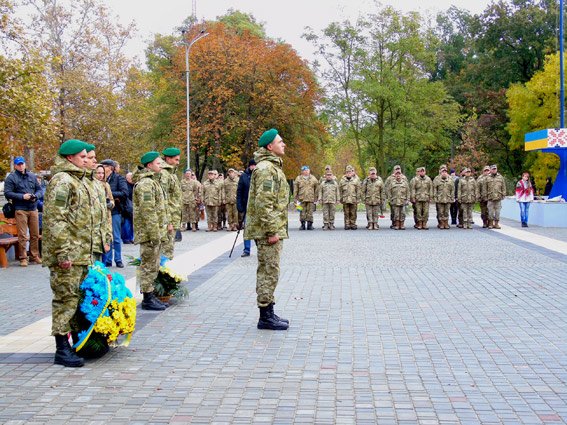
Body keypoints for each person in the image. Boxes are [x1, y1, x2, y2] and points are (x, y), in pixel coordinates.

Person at [43, 139, 94, 367]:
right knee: (65, 300)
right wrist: (63, 253)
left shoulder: (77, 180)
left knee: (74, 300)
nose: (86, 160)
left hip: (80, 253)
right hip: (68, 255)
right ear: (69, 158)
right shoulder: (63, 181)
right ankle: (61, 349)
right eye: (82, 157)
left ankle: (74, 343)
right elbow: (56, 219)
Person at [245, 128, 289, 331]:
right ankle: (265, 316)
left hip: (270, 228)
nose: (284, 144)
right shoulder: (265, 170)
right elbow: (264, 203)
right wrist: (272, 231)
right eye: (280, 142)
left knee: (271, 271)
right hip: (267, 231)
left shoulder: (271, 167)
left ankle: (269, 310)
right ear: (270, 147)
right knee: (268, 271)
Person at [132, 151, 168, 311]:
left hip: (154, 232)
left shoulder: (152, 181)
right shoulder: (146, 184)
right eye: (158, 163)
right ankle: (147, 298)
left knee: (153, 265)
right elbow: (148, 211)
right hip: (149, 234)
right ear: (149, 165)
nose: (160, 165)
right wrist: (155, 235)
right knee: (148, 265)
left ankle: (150, 294)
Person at [4, 156, 42, 266]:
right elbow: (8, 193)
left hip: (33, 208)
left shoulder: (32, 176)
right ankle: (23, 257)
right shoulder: (11, 178)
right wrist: (22, 196)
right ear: (15, 166)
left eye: (22, 164)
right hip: (20, 209)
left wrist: (36, 196)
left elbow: (39, 190)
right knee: (22, 235)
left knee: (35, 234)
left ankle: (34, 255)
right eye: (18, 164)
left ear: (25, 164)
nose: (21, 166)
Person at [85, 146, 112, 263]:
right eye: (91, 157)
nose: (95, 161)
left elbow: (102, 216)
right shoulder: (66, 181)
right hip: (81, 246)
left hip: (96, 241)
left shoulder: (99, 185)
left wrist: (106, 239)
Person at [100, 159, 128, 268]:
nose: (102, 169)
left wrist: (109, 193)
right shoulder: (100, 179)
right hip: (103, 212)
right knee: (106, 237)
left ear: (110, 168)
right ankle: (107, 259)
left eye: (104, 166)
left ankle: (118, 259)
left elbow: (124, 193)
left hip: (115, 211)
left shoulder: (118, 178)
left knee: (116, 237)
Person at [159, 148, 182, 259]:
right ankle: (163, 275)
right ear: (168, 159)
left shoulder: (171, 173)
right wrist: (168, 221)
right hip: (168, 220)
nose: (178, 163)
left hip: (173, 217)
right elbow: (163, 199)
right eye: (176, 160)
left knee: (169, 250)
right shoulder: (164, 174)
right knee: (166, 252)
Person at [237, 159, 256, 257]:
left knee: (258, 229)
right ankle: (246, 249)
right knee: (247, 229)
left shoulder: (259, 175)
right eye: (252, 166)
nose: (253, 167)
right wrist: (239, 205)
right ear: (249, 166)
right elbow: (239, 192)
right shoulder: (244, 176)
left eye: (255, 165)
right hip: (247, 206)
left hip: (258, 207)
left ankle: (259, 248)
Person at [293, 165, 319, 230]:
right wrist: (295, 198)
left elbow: (317, 188)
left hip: (311, 198)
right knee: (302, 212)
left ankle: (310, 225)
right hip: (301, 198)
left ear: (309, 171)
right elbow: (295, 189)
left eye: (307, 170)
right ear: (302, 171)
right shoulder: (298, 178)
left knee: (310, 212)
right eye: (304, 170)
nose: (306, 171)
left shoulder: (313, 178)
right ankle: (302, 225)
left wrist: (316, 197)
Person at [339, 165, 361, 230]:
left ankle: (353, 224)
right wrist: (340, 198)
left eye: (350, 172)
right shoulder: (342, 180)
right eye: (347, 172)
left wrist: (358, 198)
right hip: (345, 199)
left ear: (352, 173)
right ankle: (347, 224)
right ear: (345, 173)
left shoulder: (356, 180)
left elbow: (358, 190)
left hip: (353, 199)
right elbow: (340, 190)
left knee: (353, 213)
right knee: (346, 213)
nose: (348, 173)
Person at [486, 164, 507, 229]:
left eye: (495, 169)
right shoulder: (487, 177)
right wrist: (485, 196)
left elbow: (503, 187)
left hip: (498, 197)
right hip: (490, 197)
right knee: (490, 212)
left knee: (498, 212)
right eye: (493, 169)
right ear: (490, 170)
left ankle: (496, 223)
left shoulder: (500, 177)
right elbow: (485, 188)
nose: (494, 170)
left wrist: (503, 194)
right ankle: (491, 223)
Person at [121, 172, 135, 244]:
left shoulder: (134, 185)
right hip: (126, 207)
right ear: (127, 178)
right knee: (126, 223)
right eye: (130, 178)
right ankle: (126, 238)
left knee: (132, 223)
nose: (132, 179)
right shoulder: (125, 185)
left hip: (132, 206)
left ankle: (131, 238)